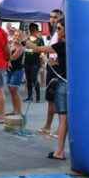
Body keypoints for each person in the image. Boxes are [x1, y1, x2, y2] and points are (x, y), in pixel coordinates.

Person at [22, 21, 67, 160]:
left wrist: (24, 40)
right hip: (71, 83)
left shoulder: (62, 44)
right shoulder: (71, 44)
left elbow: (36, 48)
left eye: (59, 28)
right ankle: (60, 151)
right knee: (66, 120)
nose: (57, 31)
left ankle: (59, 152)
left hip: (64, 84)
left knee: (64, 119)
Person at [24, 23, 45, 103]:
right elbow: (23, 46)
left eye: (33, 29)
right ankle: (29, 97)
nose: (31, 31)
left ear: (36, 30)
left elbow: (42, 51)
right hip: (27, 62)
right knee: (28, 80)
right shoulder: (27, 39)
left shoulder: (40, 40)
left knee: (34, 79)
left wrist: (42, 63)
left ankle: (38, 97)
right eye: (30, 29)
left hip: (35, 63)